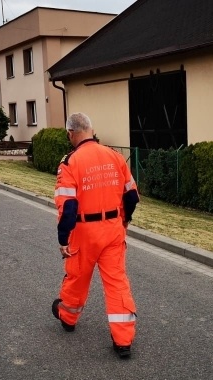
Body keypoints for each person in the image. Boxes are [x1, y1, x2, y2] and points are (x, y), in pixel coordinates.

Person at [51, 112, 140, 359]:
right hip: (113, 228)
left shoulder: (70, 163)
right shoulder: (115, 156)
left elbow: (68, 207)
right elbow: (131, 196)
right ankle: (123, 340)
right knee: (117, 282)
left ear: (71, 133)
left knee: (77, 277)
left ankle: (68, 317)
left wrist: (63, 239)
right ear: (91, 129)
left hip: (84, 231)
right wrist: (125, 220)